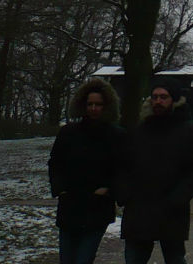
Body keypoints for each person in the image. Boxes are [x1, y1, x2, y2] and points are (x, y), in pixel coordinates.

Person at [119, 77, 193, 264]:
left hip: (171, 211)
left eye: (163, 97)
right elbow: (122, 164)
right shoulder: (139, 130)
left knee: (175, 258)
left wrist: (178, 197)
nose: (158, 101)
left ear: (174, 100)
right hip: (139, 210)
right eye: (155, 97)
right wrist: (124, 193)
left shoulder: (189, 130)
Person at [47, 77, 127, 264]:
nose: (93, 108)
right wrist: (60, 188)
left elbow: (123, 169)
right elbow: (55, 163)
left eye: (98, 104)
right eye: (90, 103)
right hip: (70, 206)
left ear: (106, 106)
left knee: (83, 259)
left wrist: (109, 190)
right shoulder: (68, 132)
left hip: (97, 208)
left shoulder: (117, 136)